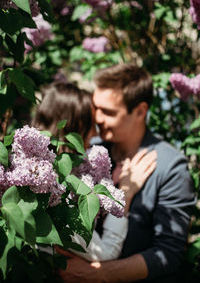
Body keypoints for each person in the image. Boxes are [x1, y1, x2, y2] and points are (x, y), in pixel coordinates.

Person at [58, 63, 196, 283]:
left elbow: (169, 253)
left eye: (109, 112)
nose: (98, 118)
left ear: (140, 111)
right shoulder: (92, 152)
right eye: (97, 108)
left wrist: (98, 275)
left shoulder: (169, 168)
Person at [32, 81, 157, 262]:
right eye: (91, 123)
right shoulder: (56, 193)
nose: (95, 132)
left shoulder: (35, 167)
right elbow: (105, 252)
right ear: (76, 126)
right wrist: (125, 194)